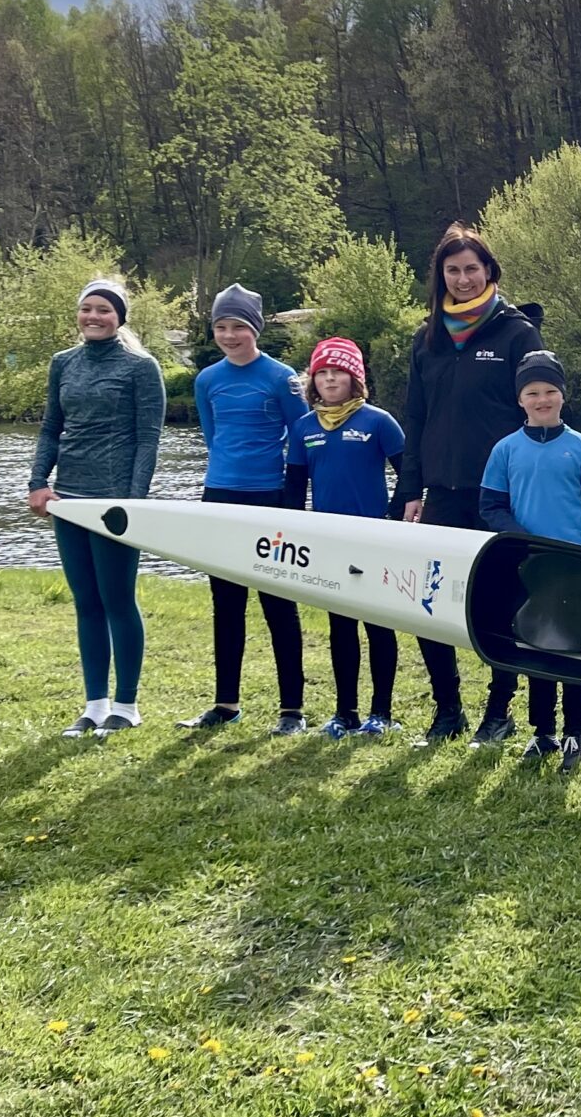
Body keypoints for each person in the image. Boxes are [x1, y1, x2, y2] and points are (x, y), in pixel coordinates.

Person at [397, 222, 541, 747]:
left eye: (471, 269)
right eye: (452, 270)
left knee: (499, 602)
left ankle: (499, 712)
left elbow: (537, 413)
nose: (461, 278)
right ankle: (447, 709)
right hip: (443, 493)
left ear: (489, 272)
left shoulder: (517, 333)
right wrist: (411, 489)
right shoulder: (428, 337)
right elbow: (416, 418)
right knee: (429, 603)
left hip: (500, 495)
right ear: (441, 276)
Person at [26, 277, 166, 740]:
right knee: (86, 603)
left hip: (114, 502)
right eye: (87, 309)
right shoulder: (62, 363)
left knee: (117, 600)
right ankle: (94, 705)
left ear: (119, 318)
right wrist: (38, 484)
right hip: (68, 499)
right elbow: (51, 429)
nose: (94, 317)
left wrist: (132, 501)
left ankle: (126, 705)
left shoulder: (141, 367)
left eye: (104, 310)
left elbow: (148, 439)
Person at [177, 284, 312, 736]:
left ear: (255, 329)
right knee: (226, 604)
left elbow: (302, 439)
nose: (230, 335)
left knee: (278, 603)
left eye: (238, 326)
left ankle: (292, 710)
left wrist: (291, 504)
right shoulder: (207, 380)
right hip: (219, 496)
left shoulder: (281, 377)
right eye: (221, 327)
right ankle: (226, 703)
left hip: (269, 497)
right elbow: (212, 437)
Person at [479, 350, 581, 773]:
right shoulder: (505, 450)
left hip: (574, 565)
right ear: (521, 400)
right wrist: (522, 540)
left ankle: (577, 732)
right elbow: (490, 506)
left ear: (563, 395)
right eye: (533, 393)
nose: (542, 399)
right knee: (536, 648)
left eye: (550, 391)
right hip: (527, 566)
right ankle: (543, 733)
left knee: (574, 651)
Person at [286, 336, 407, 740]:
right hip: (328, 542)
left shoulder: (377, 421)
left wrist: (393, 517)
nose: (330, 378)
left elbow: (408, 476)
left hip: (373, 538)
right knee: (341, 626)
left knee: (378, 625)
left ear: (355, 378)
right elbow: (293, 490)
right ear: (312, 381)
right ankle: (345, 712)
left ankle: (382, 713)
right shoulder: (304, 428)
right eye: (322, 372)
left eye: (339, 371)